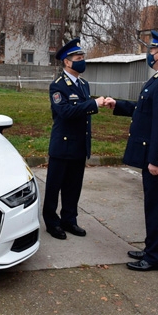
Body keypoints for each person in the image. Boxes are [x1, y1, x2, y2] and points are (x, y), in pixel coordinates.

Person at [105, 30, 158, 271]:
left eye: (150, 51)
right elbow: (145, 110)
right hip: (155, 156)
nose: (148, 55)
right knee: (152, 205)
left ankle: (155, 258)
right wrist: (117, 104)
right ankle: (152, 248)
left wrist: (155, 160)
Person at [43, 38, 106, 240]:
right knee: (54, 187)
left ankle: (69, 220)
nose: (82, 61)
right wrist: (93, 105)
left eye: (82, 58)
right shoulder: (58, 86)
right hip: (62, 146)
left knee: (73, 187)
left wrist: (92, 105)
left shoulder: (84, 84)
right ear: (67, 62)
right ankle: (52, 222)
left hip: (79, 145)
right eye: (78, 58)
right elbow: (65, 112)